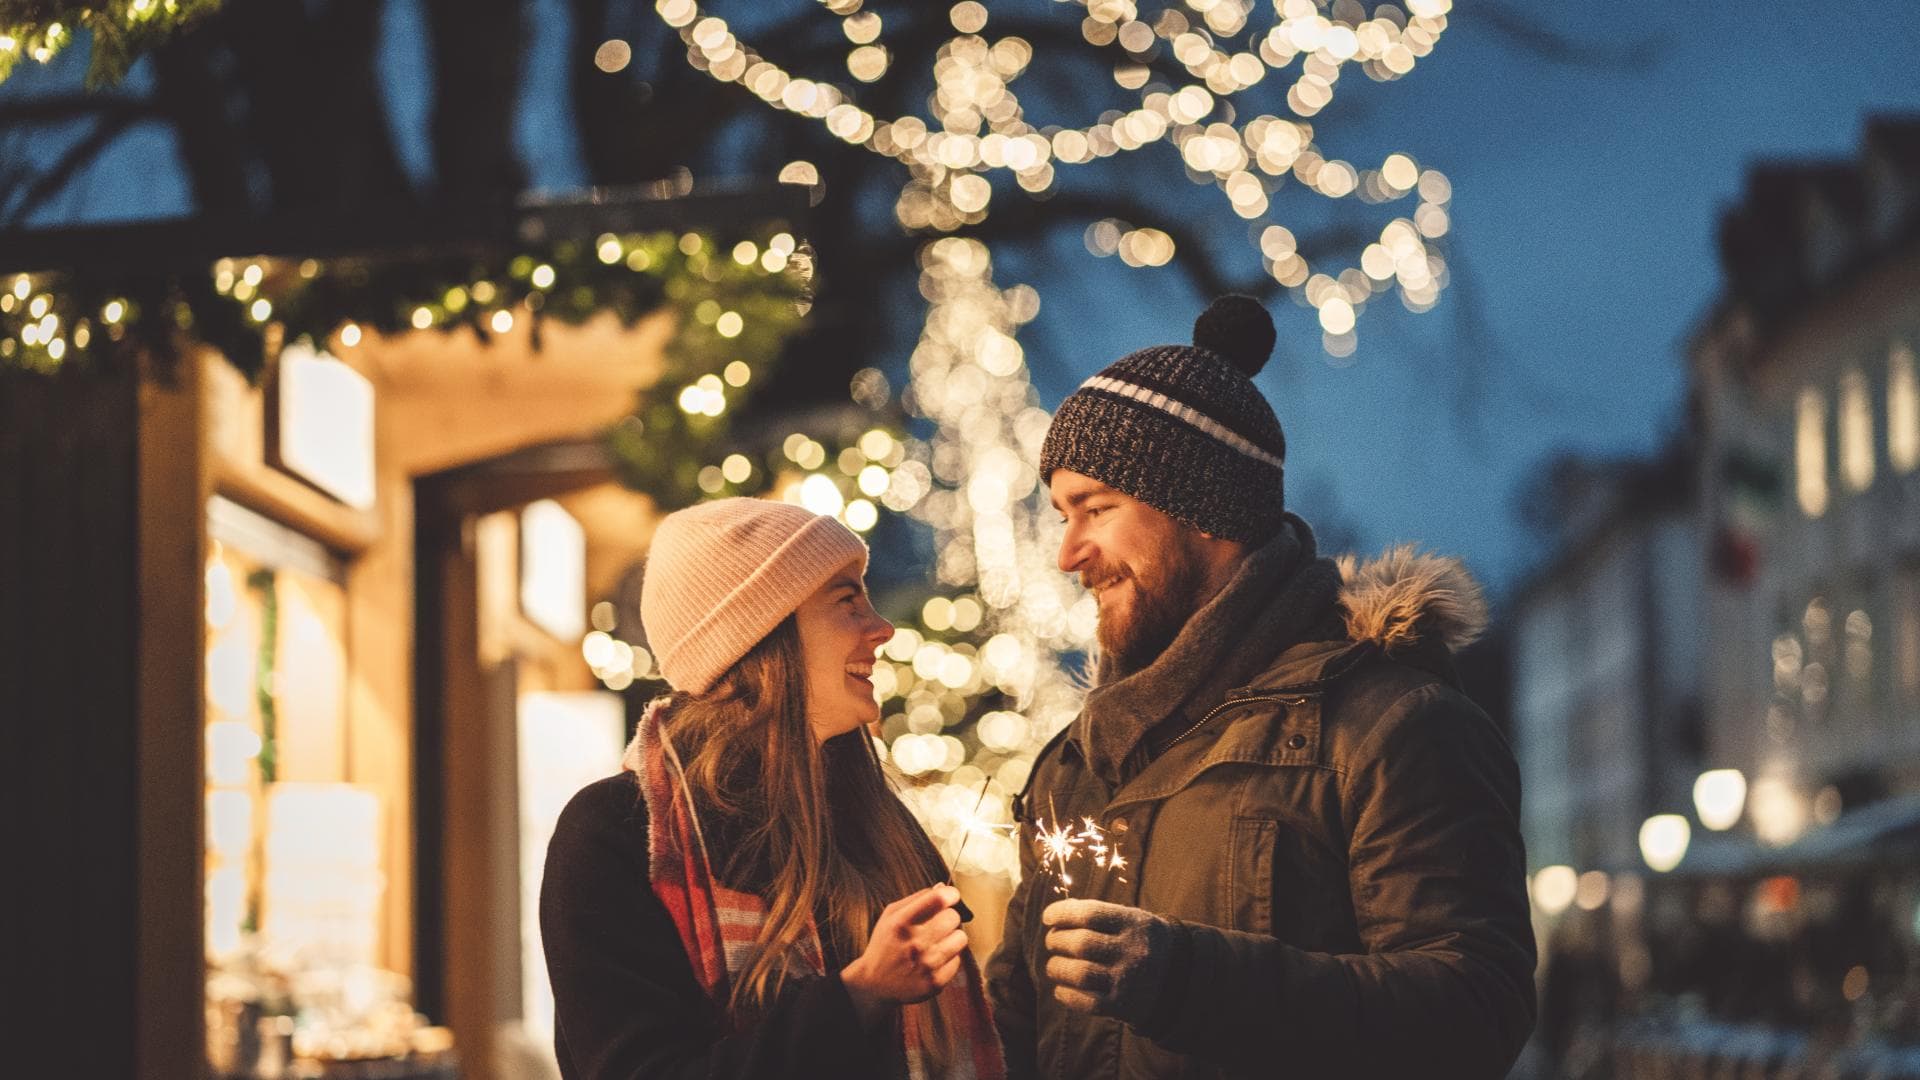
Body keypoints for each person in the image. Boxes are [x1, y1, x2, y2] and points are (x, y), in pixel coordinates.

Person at [983, 295, 1537, 1079]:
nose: (1068, 553)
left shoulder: (1390, 729)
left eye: (1095, 509)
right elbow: (1017, 1021)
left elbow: (1474, 1010)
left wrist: (1191, 981)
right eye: (1061, 515)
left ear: (1205, 508)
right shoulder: (1076, 766)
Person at [541, 498, 1006, 1080]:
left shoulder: (875, 823)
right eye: (845, 599)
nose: (881, 628)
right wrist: (859, 995)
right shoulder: (615, 833)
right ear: (760, 637)